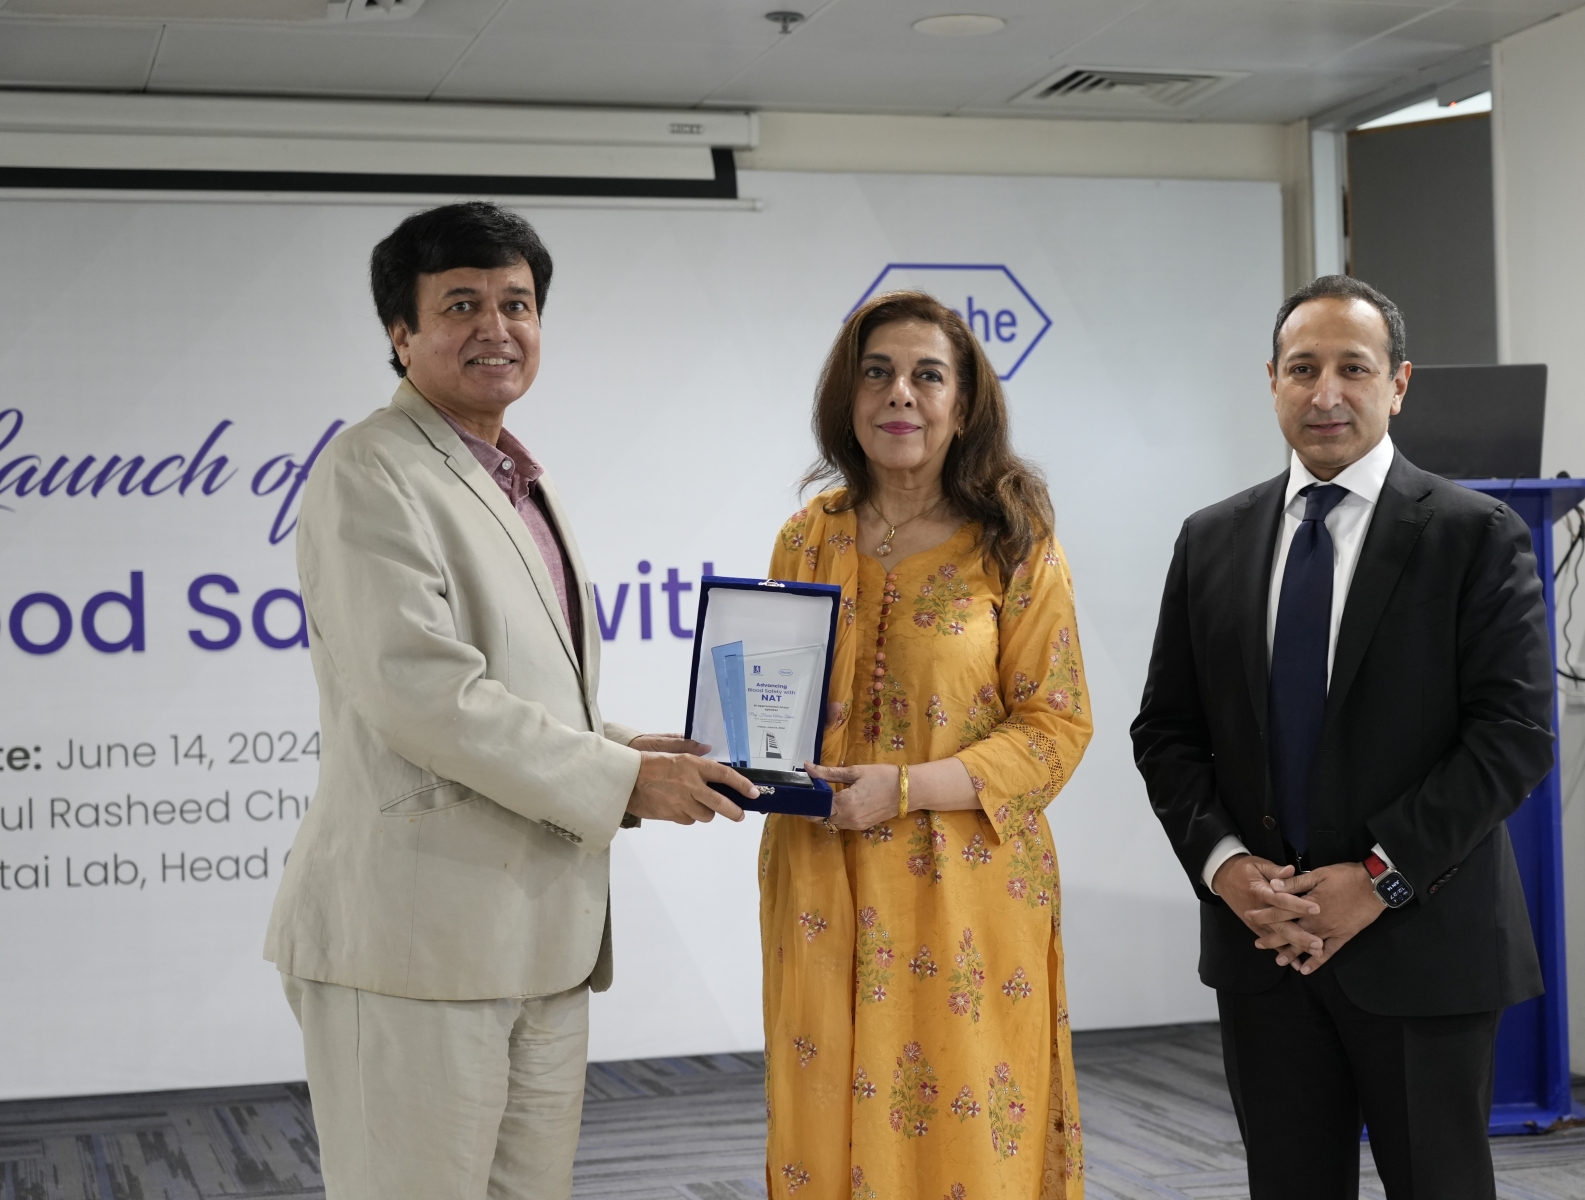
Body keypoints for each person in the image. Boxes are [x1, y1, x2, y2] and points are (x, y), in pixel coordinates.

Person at [263, 201, 756, 1200]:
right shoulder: (370, 469)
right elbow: (423, 693)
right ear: (401, 334)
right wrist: (621, 780)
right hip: (415, 946)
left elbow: (523, 687)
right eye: (461, 305)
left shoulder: (519, 477)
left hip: (538, 942)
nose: (497, 327)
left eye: (517, 304)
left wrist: (628, 746)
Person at [1131, 275, 1553, 1199]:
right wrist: (1227, 869)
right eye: (1302, 368)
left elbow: (1513, 735)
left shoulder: (1473, 535)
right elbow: (1166, 732)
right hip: (1263, 946)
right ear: (1271, 382)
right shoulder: (1211, 540)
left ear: (1398, 384)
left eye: (1353, 369)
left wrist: (1378, 878)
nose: (1325, 393)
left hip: (1422, 947)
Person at [760, 291, 1093, 1199]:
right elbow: (773, 705)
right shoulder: (807, 536)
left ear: (964, 403)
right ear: (849, 396)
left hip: (964, 890)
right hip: (820, 875)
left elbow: (1057, 726)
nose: (899, 394)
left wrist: (905, 789)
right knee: (820, 1112)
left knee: (963, 1126)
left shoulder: (1013, 543)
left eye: (926, 375)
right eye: (877, 373)